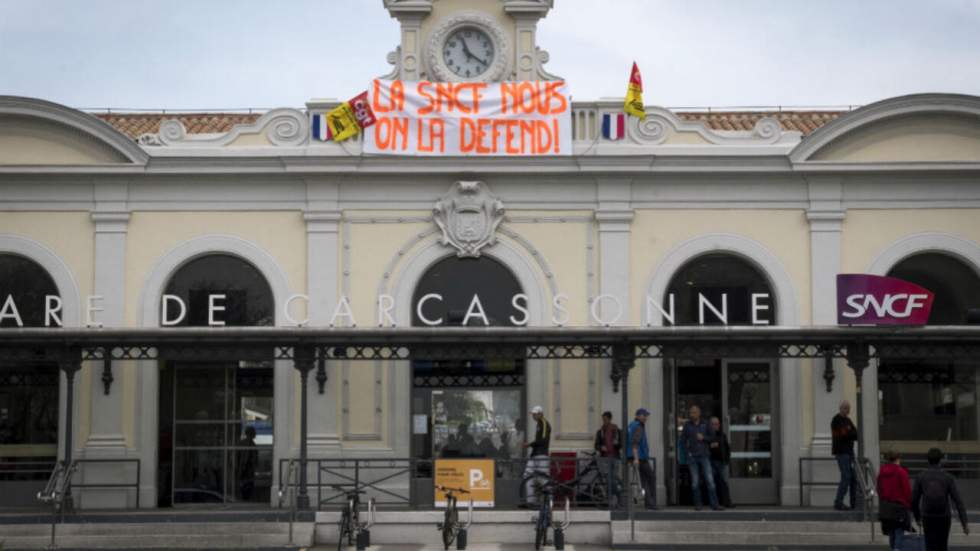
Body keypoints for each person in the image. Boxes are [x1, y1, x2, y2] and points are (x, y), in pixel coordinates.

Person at [911, 447, 970, 551]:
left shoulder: (921, 476)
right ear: (940, 460)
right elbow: (958, 501)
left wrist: (917, 517)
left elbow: (914, 500)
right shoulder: (948, 477)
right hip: (944, 516)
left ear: (927, 460)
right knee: (942, 545)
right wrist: (964, 523)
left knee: (929, 545)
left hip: (927, 515)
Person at [681, 405, 722, 511]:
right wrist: (687, 453)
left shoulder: (705, 424)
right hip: (692, 457)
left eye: (694, 412)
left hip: (704, 456)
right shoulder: (687, 425)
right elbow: (683, 441)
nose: (691, 414)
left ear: (699, 413)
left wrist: (704, 438)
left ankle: (715, 504)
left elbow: (713, 437)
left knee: (710, 481)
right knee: (695, 482)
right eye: (690, 413)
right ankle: (698, 504)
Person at [877, 450, 912, 551]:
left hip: (886, 506)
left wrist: (883, 500)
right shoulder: (901, 472)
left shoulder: (882, 472)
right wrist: (909, 504)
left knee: (891, 531)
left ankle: (893, 548)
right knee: (899, 531)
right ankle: (896, 549)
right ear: (898, 459)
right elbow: (907, 490)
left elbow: (879, 488)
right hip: (899, 506)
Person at [626, 408, 658, 510]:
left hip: (635, 457)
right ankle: (651, 504)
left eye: (646, 416)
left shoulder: (631, 425)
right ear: (638, 416)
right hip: (640, 458)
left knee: (644, 481)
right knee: (651, 478)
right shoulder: (638, 427)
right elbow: (635, 443)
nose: (645, 418)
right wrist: (636, 459)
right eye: (644, 416)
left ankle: (648, 503)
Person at [831, 400, 858, 511]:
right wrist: (849, 432)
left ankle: (853, 503)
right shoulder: (836, 420)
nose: (849, 411)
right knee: (846, 477)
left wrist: (849, 432)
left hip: (849, 452)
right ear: (842, 408)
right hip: (842, 453)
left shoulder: (848, 420)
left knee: (853, 478)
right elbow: (844, 435)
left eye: (849, 408)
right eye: (847, 408)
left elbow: (855, 434)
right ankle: (838, 502)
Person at [522, 405, 551, 506]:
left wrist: (529, 444)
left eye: (535, 414)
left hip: (541, 455)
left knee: (543, 478)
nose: (533, 416)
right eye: (532, 414)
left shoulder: (543, 423)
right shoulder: (539, 423)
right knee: (528, 475)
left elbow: (542, 440)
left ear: (540, 414)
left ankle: (548, 501)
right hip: (535, 454)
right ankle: (531, 501)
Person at [594, 411, 622, 507]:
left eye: (605, 419)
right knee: (609, 480)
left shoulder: (617, 430)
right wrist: (601, 447)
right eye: (603, 419)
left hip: (614, 457)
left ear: (610, 419)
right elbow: (596, 445)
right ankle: (615, 500)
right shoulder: (600, 431)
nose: (604, 421)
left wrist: (616, 444)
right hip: (604, 458)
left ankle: (616, 499)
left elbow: (621, 444)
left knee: (613, 479)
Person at [708, 416, 734, 509]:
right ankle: (715, 503)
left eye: (717, 424)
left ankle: (727, 502)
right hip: (711, 462)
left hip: (722, 462)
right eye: (714, 424)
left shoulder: (722, 435)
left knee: (724, 482)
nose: (716, 426)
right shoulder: (708, 436)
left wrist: (727, 459)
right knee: (713, 483)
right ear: (710, 425)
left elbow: (727, 448)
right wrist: (711, 446)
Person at [236, 425, 258, 501]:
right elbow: (238, 457)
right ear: (250, 433)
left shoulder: (252, 445)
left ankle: (245, 499)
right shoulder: (248, 444)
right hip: (245, 471)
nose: (256, 434)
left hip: (246, 471)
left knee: (247, 488)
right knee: (246, 488)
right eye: (254, 432)